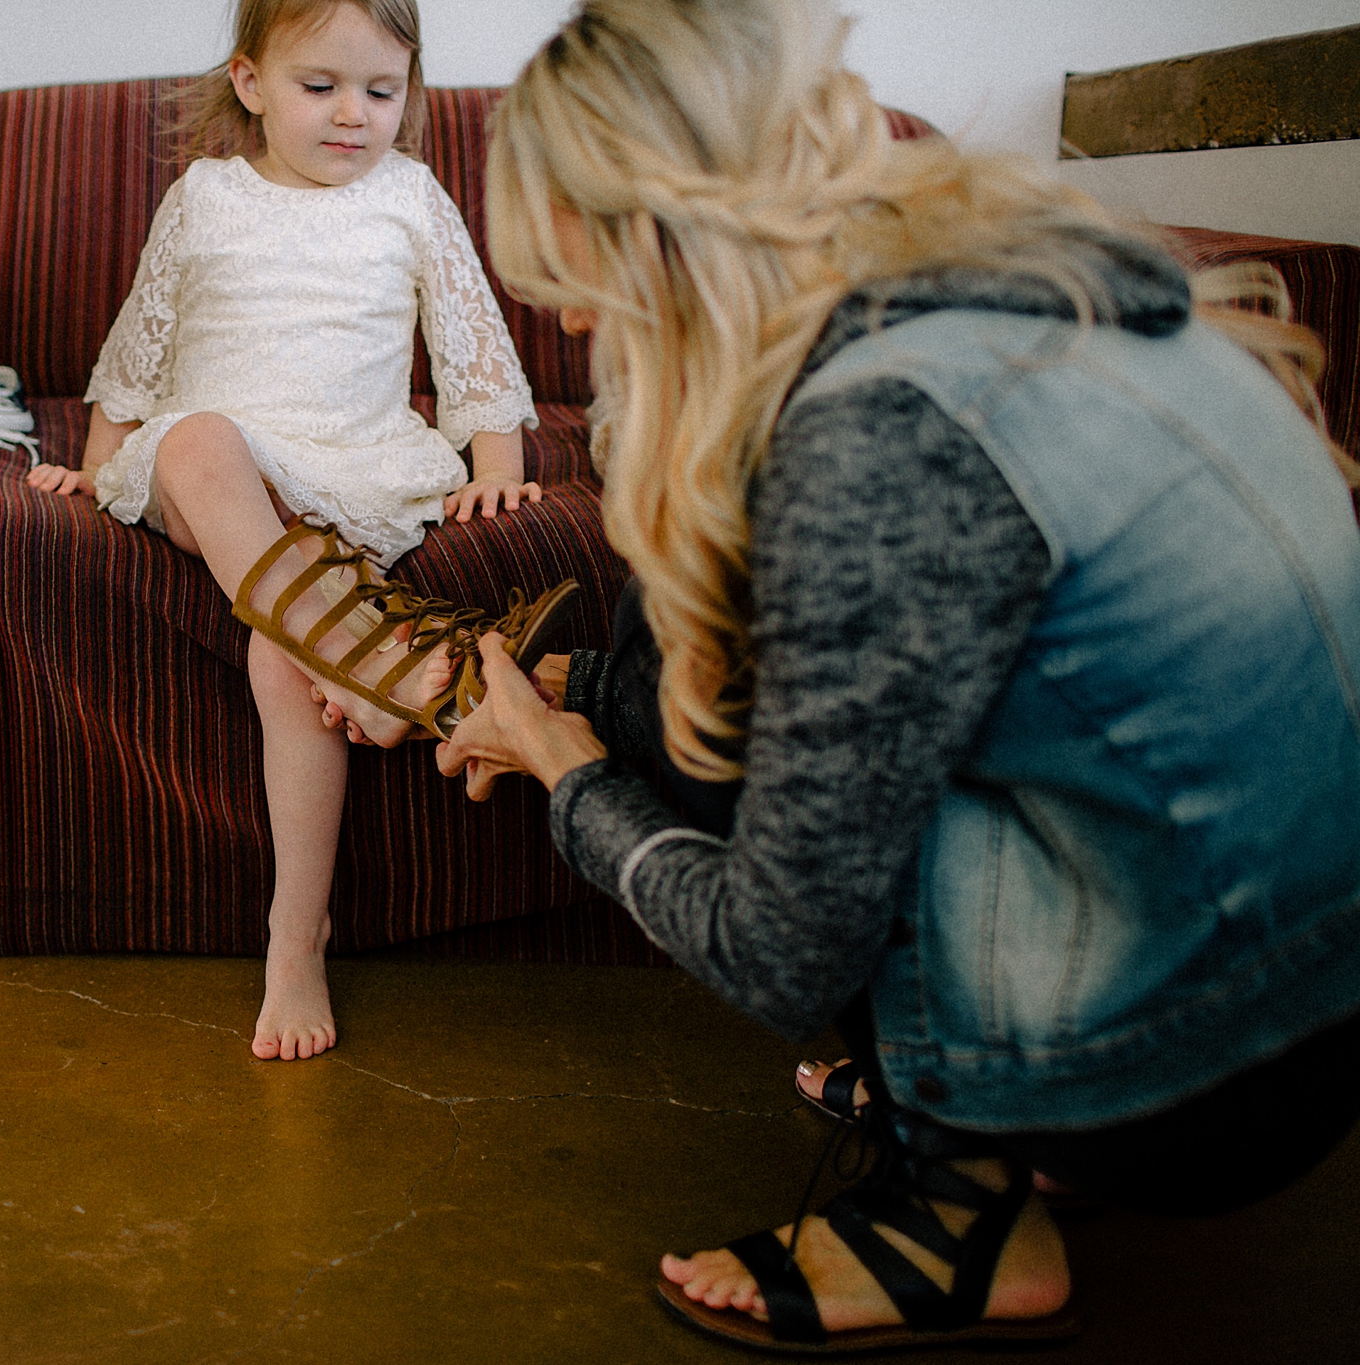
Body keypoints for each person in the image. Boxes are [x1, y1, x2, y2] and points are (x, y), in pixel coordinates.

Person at [434, 0, 1360, 1351]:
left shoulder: (879, 436)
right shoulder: (1011, 285)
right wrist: (586, 690)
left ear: (666, 234)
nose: (564, 313)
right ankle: (1001, 1098)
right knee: (710, 693)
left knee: (722, 744)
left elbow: (779, 942)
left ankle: (955, 1225)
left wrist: (568, 775)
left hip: (1214, 1082)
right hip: (1307, 991)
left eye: (571, 274)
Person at [29, 0, 568, 1062]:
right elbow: (138, 350)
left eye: (381, 91)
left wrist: (495, 469)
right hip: (212, 469)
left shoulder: (409, 195)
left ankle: (295, 937)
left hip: (349, 467)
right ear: (248, 82)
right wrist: (97, 471)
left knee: (280, 657)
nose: (351, 116)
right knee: (194, 442)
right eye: (318, 87)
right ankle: (392, 671)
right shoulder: (204, 196)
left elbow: (471, 343)